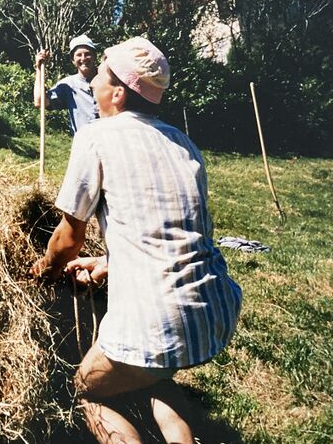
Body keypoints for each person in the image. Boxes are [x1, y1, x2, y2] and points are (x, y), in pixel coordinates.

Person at [29, 37, 242, 443]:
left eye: (100, 79)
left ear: (118, 92)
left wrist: (44, 270)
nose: (92, 85)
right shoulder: (184, 143)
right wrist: (110, 262)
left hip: (158, 317)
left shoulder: (97, 136)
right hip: (212, 311)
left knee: (84, 390)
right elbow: (178, 231)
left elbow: (69, 238)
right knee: (149, 375)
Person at [33, 34, 99, 134]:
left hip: (110, 144)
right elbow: (40, 101)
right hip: (85, 146)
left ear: (94, 56)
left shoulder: (108, 78)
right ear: (73, 60)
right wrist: (39, 69)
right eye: (79, 55)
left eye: (87, 54)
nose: (83, 58)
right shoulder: (68, 85)